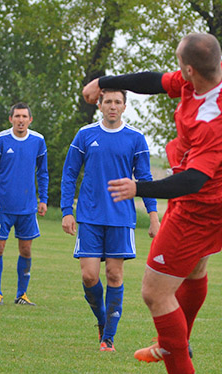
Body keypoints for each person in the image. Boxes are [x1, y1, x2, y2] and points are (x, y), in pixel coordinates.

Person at [82, 32, 222, 374]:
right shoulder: (215, 76)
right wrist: (106, 82)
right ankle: (175, 342)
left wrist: (141, 188)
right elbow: (157, 82)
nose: (177, 72)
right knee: (194, 271)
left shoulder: (212, 120)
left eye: (179, 65)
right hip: (221, 193)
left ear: (191, 69)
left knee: (155, 293)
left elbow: (192, 181)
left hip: (198, 205)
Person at [61, 88, 160, 352]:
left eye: (118, 102)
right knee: (89, 276)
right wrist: (66, 211)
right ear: (100, 105)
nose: (113, 106)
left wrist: (153, 216)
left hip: (121, 217)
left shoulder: (136, 139)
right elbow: (70, 174)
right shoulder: (85, 135)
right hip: (90, 217)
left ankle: (108, 339)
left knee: (114, 275)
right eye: (108, 102)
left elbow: (145, 180)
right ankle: (103, 322)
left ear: (125, 106)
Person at [0, 102, 49, 306]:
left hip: (27, 208)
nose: (21, 120)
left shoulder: (38, 141)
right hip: (3, 207)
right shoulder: (0, 140)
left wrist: (43, 199)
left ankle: (22, 294)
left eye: (24, 117)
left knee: (26, 250)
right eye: (17, 116)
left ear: (30, 120)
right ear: (11, 119)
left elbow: (43, 172)